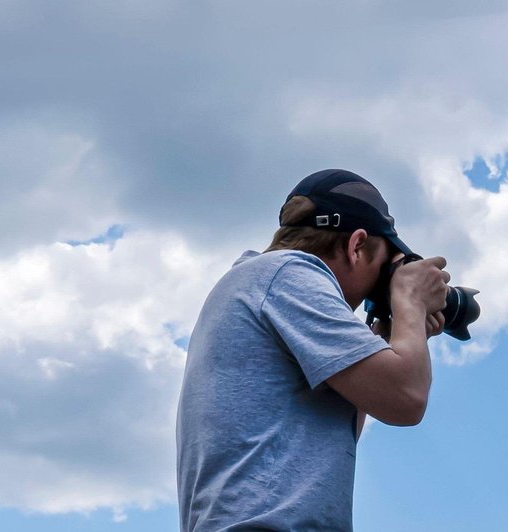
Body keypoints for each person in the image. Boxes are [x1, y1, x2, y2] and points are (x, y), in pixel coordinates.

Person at [176, 169, 450, 531]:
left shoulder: (259, 282)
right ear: (356, 246)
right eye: (384, 268)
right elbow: (405, 399)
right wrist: (410, 303)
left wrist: (386, 340)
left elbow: (351, 417)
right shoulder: (289, 274)